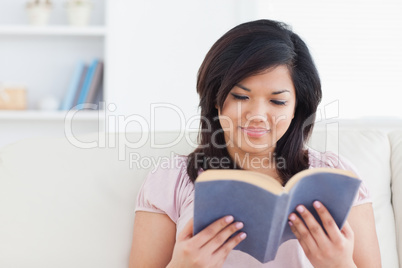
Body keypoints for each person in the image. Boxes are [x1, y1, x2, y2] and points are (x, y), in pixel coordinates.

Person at [129, 19, 381, 267]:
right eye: (240, 96)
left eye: (277, 101)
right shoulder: (171, 180)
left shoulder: (335, 176)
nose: (258, 114)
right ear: (216, 100)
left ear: (297, 108)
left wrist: (339, 265)